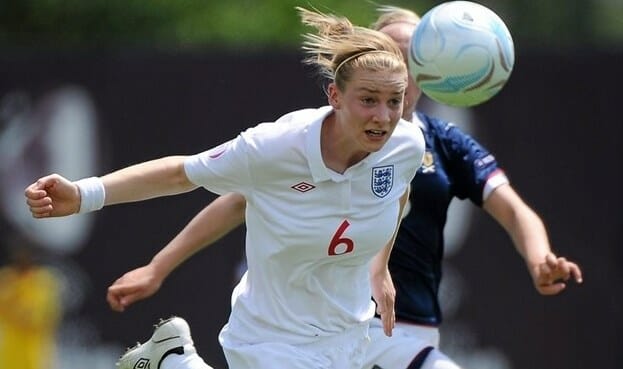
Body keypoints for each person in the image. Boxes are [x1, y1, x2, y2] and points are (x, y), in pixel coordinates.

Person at [100, 5, 585, 369]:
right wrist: (158, 266)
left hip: (405, 330)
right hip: (323, 321)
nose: (400, 70)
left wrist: (539, 256)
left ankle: (174, 362)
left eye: (411, 61)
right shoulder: (316, 140)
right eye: (389, 56)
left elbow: (509, 209)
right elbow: (237, 201)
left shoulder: (437, 144)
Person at [23, 6, 425, 369]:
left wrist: (380, 266)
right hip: (272, 337)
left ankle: (174, 361)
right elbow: (181, 173)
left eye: (395, 100)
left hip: (349, 332)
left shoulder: (406, 145)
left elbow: (395, 196)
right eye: (369, 99)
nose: (384, 116)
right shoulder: (274, 148)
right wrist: (83, 194)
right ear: (334, 96)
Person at [0, 235, 62, 369]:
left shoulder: (43, 282)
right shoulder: (7, 279)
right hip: (9, 352)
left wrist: (15, 308)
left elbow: (39, 317)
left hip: (35, 353)